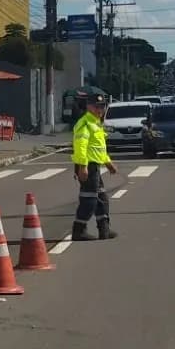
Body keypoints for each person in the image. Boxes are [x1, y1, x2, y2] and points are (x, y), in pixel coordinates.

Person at [71, 86, 119, 241]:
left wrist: (108, 163)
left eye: (102, 107)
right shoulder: (85, 123)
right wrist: (82, 167)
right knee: (89, 200)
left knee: (101, 199)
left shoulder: (96, 124)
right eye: (96, 107)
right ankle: (79, 230)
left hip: (95, 166)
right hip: (87, 166)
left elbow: (99, 148)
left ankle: (104, 230)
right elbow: (81, 147)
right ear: (88, 107)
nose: (100, 110)